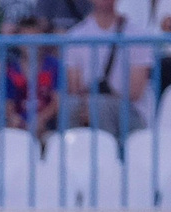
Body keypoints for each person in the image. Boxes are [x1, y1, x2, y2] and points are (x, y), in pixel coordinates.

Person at [59, 0, 149, 136]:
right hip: (87, 104)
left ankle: (109, 148)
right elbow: (74, 87)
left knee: (100, 106)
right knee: (70, 105)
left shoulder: (137, 35)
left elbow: (135, 92)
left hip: (130, 111)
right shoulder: (75, 35)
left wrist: (98, 104)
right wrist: (88, 105)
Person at [0, 15, 61, 134]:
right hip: (18, 126)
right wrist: (15, 119)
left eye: (35, 37)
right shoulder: (10, 70)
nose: (30, 43)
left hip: (48, 126)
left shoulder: (54, 66)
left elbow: (57, 102)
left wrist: (41, 119)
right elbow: (8, 104)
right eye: (25, 37)